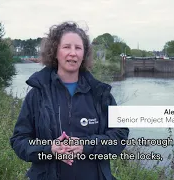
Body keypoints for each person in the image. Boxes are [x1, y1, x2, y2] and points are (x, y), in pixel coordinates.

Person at [10, 21, 129, 180]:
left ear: (84, 54)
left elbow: (120, 135)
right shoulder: (37, 94)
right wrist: (49, 149)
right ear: (55, 51)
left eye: (78, 48)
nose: (73, 53)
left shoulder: (100, 94)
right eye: (66, 47)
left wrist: (85, 146)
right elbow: (19, 141)